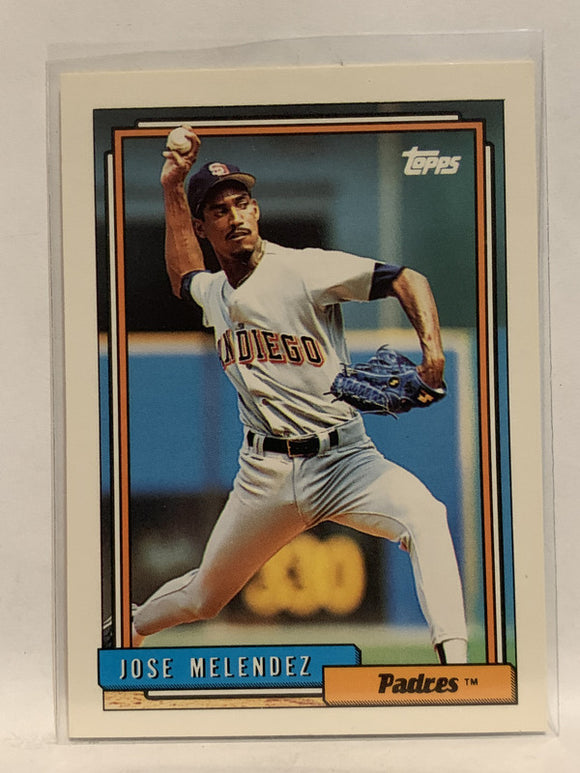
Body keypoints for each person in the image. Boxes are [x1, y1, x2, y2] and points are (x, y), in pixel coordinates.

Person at [130, 127, 468, 664]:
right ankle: (124, 631)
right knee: (203, 598)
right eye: (218, 210)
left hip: (345, 460)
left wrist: (433, 355)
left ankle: (456, 666)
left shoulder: (303, 268)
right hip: (265, 476)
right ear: (202, 226)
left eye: (242, 204)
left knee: (426, 515)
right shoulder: (216, 293)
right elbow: (184, 275)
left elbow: (408, 279)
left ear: (257, 210)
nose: (235, 216)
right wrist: (173, 185)